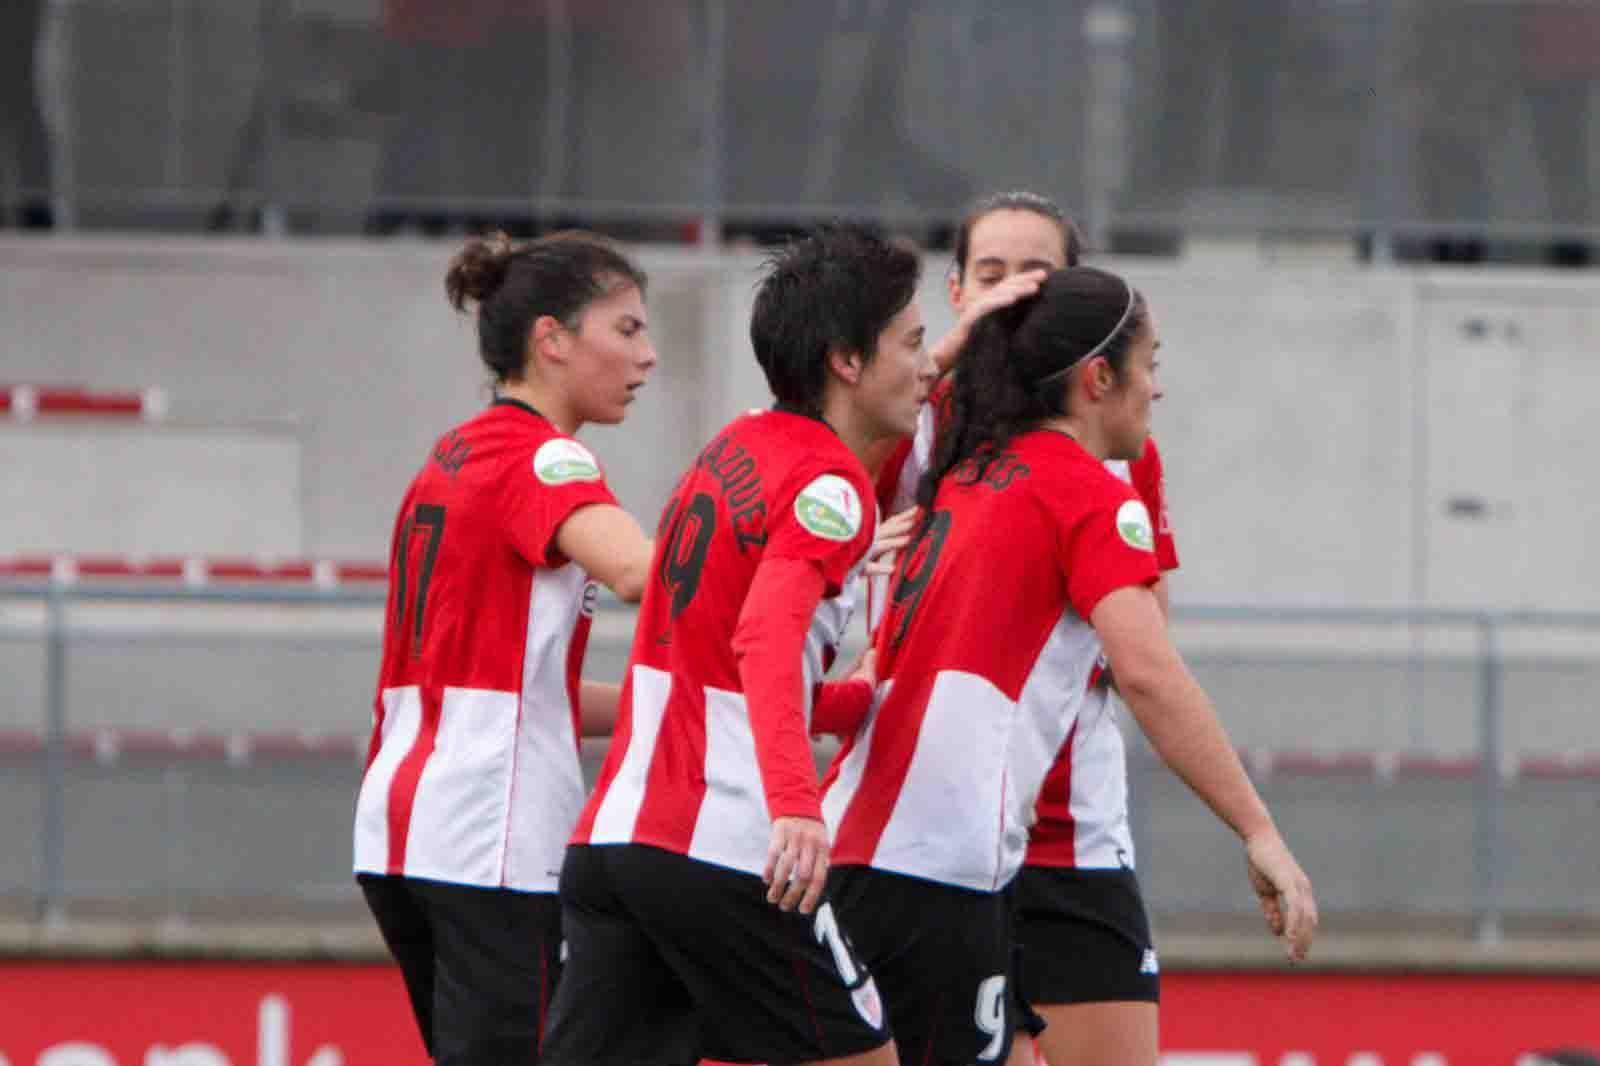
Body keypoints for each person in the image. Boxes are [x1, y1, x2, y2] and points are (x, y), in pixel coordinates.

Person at [824, 266, 1317, 1066]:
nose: (1156, 389)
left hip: (880, 846)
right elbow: (1149, 674)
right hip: (931, 867)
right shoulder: (1087, 494)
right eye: (1150, 364)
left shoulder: (969, 473)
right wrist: (1259, 830)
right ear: (1098, 378)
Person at [541, 226, 937, 1066]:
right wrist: (797, 802)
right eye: (913, 342)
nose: (930, 366)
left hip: (613, 845)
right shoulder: (832, 485)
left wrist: (853, 698)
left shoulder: (732, 448)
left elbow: (710, 658)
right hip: (724, 846)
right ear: (848, 362)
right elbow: (764, 636)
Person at [352, 230, 658, 1065]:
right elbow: (640, 573)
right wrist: (792, 551)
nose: (649, 355)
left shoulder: (452, 456)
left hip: (401, 832)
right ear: (550, 340)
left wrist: (667, 704)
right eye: (626, 329)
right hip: (492, 835)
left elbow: (522, 689)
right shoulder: (547, 460)